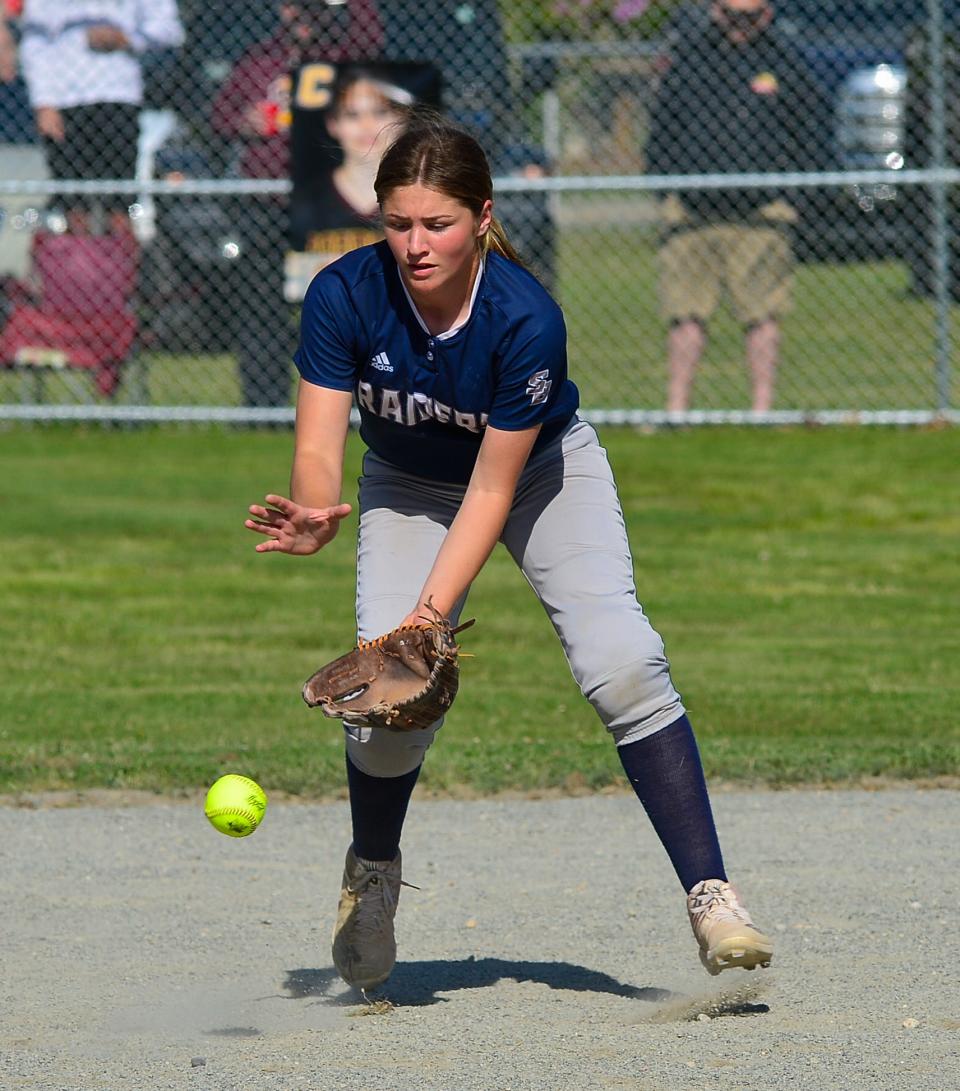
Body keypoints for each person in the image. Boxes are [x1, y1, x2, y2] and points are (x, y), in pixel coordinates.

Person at [244, 113, 773, 993]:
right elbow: (320, 439)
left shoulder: (524, 316)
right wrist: (313, 505)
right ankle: (372, 875)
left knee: (623, 660)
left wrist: (425, 620)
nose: (415, 244)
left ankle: (712, 896)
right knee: (383, 707)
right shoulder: (345, 293)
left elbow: (492, 490)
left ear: (482, 217)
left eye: (438, 223)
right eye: (399, 223)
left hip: (541, 475)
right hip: (409, 485)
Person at [645, 0, 827, 412]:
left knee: (762, 315)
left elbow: (812, 128)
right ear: (715, 12)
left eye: (749, 18)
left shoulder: (785, 60)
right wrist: (664, 190)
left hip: (762, 211)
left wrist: (797, 196)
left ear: (766, 15)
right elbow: (662, 128)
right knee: (685, 314)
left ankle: (761, 410)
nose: (740, 27)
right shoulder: (690, 58)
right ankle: (677, 410)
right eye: (732, 16)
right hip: (692, 210)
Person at [211, 0, 382, 409]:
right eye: (292, 7)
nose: (301, 16)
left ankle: (368, 400)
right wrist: (243, 121)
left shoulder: (345, 59)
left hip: (330, 205)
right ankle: (263, 407)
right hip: (266, 200)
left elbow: (369, 37)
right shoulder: (260, 59)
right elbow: (218, 115)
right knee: (260, 305)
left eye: (310, 8)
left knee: (350, 303)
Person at [1, 0, 184, 233]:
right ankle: (79, 266)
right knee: (73, 204)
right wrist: (43, 102)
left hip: (118, 96)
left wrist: (126, 39)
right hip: (64, 100)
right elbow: (35, 42)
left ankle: (117, 265)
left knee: (119, 204)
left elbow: (169, 29)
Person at [284, 64, 413, 301]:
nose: (366, 126)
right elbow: (293, 283)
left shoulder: (420, 198)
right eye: (352, 115)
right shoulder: (305, 203)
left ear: (401, 119)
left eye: (379, 112)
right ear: (333, 124)